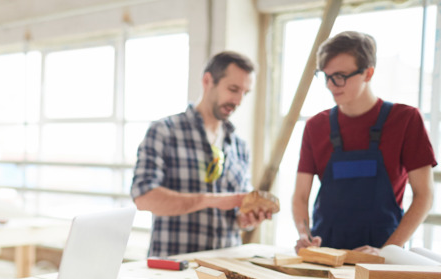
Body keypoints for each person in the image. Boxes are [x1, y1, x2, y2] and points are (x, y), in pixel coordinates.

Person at [293, 31, 436, 254]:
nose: (331, 85)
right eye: (326, 76)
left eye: (340, 76)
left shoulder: (406, 120)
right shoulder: (315, 126)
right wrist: (305, 236)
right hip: (326, 255)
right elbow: (300, 195)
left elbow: (424, 196)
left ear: (368, 73)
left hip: (383, 257)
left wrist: (388, 251)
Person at [131, 51, 270, 257]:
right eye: (233, 89)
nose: (239, 100)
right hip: (172, 269)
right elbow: (143, 198)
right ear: (208, 81)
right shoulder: (164, 131)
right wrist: (209, 200)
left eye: (245, 93)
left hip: (226, 269)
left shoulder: (240, 146)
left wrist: (247, 218)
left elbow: (238, 215)